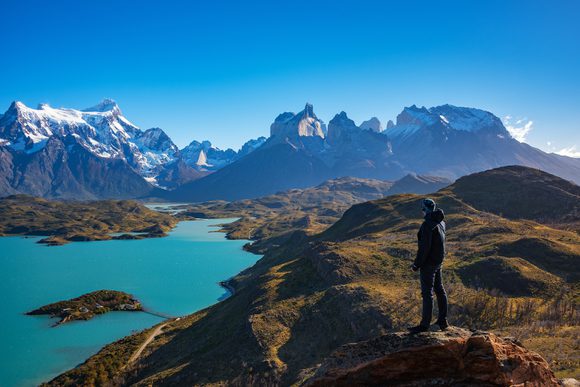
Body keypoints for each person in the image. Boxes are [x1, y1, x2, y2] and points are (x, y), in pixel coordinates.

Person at [408, 198, 449, 334]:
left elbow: (424, 248)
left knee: (427, 293)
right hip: (438, 261)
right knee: (440, 290)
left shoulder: (427, 225)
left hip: (429, 264)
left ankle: (424, 325)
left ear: (425, 209)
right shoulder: (441, 222)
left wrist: (416, 265)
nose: (421, 210)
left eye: (422, 208)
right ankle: (443, 321)